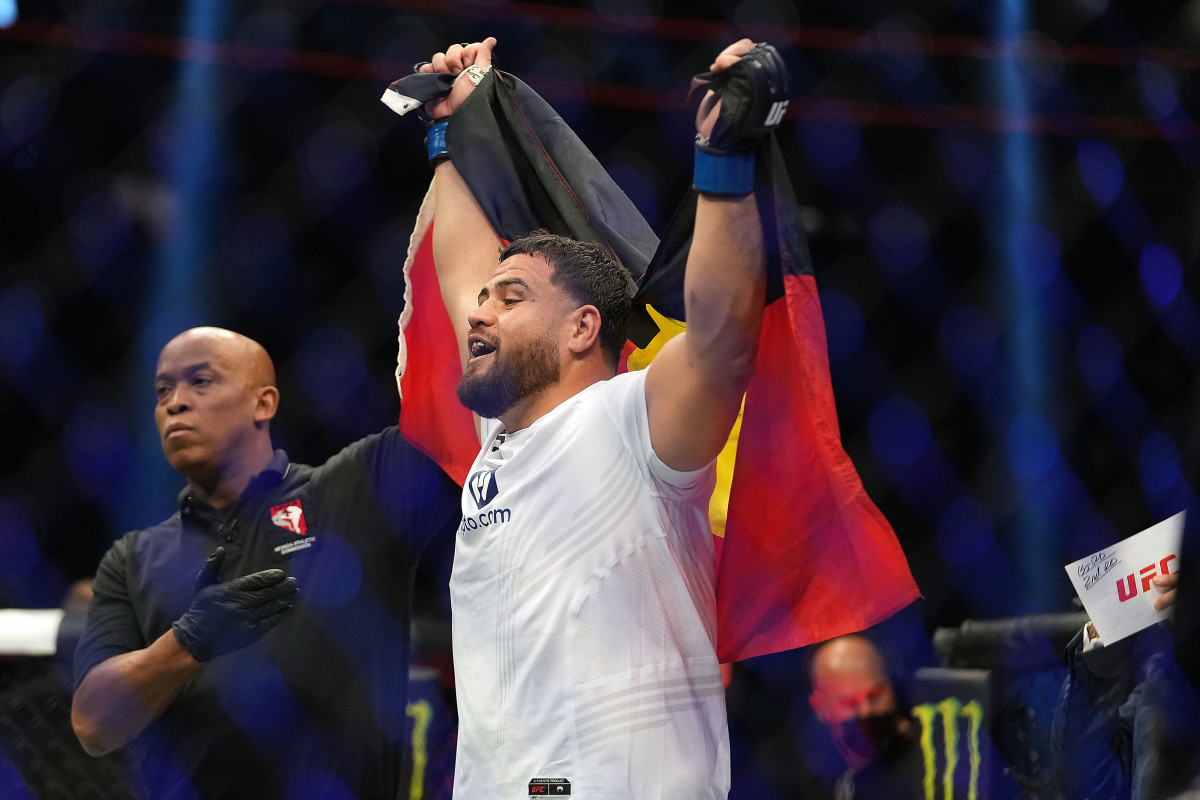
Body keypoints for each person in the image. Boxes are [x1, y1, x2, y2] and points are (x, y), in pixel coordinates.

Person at [407, 36, 786, 798]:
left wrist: (723, 159)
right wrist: (451, 133)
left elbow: (721, 339)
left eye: (509, 298)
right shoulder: (497, 449)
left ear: (582, 329)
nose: (479, 313)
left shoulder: (633, 423)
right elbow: (459, 271)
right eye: (486, 299)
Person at [70, 326, 461, 800]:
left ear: (264, 403)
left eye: (201, 381)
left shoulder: (352, 490)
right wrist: (187, 642)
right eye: (162, 390)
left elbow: (452, 402)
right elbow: (92, 724)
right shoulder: (133, 558)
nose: (175, 402)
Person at [808, 635, 922, 800]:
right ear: (820, 707)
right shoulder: (817, 774)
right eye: (848, 702)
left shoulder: (927, 756)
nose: (865, 711)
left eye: (875, 695)